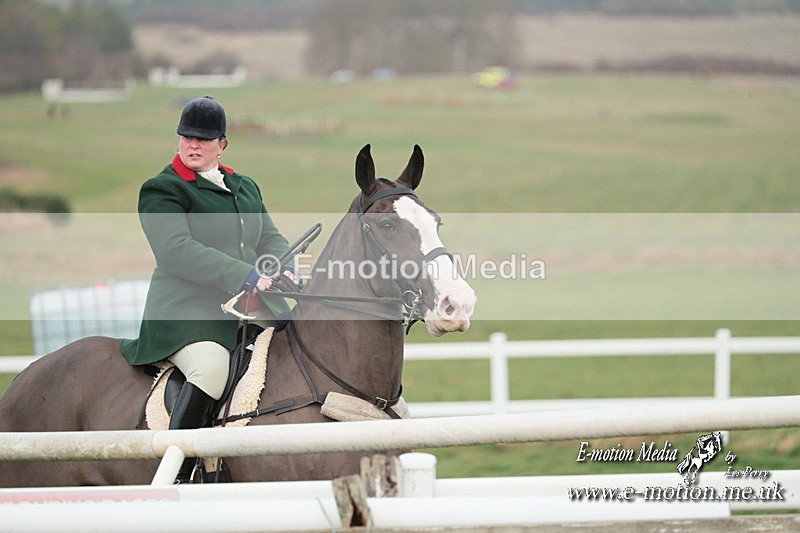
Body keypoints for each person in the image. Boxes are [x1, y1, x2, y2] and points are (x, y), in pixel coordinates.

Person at [121, 95, 296, 482]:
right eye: (187, 137)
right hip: (187, 311)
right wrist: (246, 274)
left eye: (202, 139)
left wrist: (283, 267)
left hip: (249, 305)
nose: (193, 145)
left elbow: (270, 238)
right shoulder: (162, 189)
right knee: (212, 370)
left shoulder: (244, 186)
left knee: (297, 342)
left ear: (222, 144)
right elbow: (176, 250)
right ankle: (179, 470)